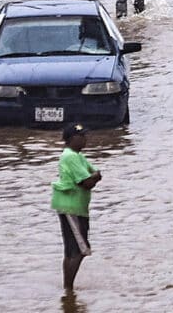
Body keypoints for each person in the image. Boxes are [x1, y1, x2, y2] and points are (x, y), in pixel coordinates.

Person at [51, 123, 102, 291]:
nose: (86, 139)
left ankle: (68, 290)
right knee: (80, 249)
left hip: (76, 207)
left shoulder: (78, 156)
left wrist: (93, 177)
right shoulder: (70, 157)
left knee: (72, 250)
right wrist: (93, 177)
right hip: (71, 207)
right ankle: (68, 289)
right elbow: (88, 182)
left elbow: (94, 175)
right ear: (73, 139)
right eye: (82, 136)